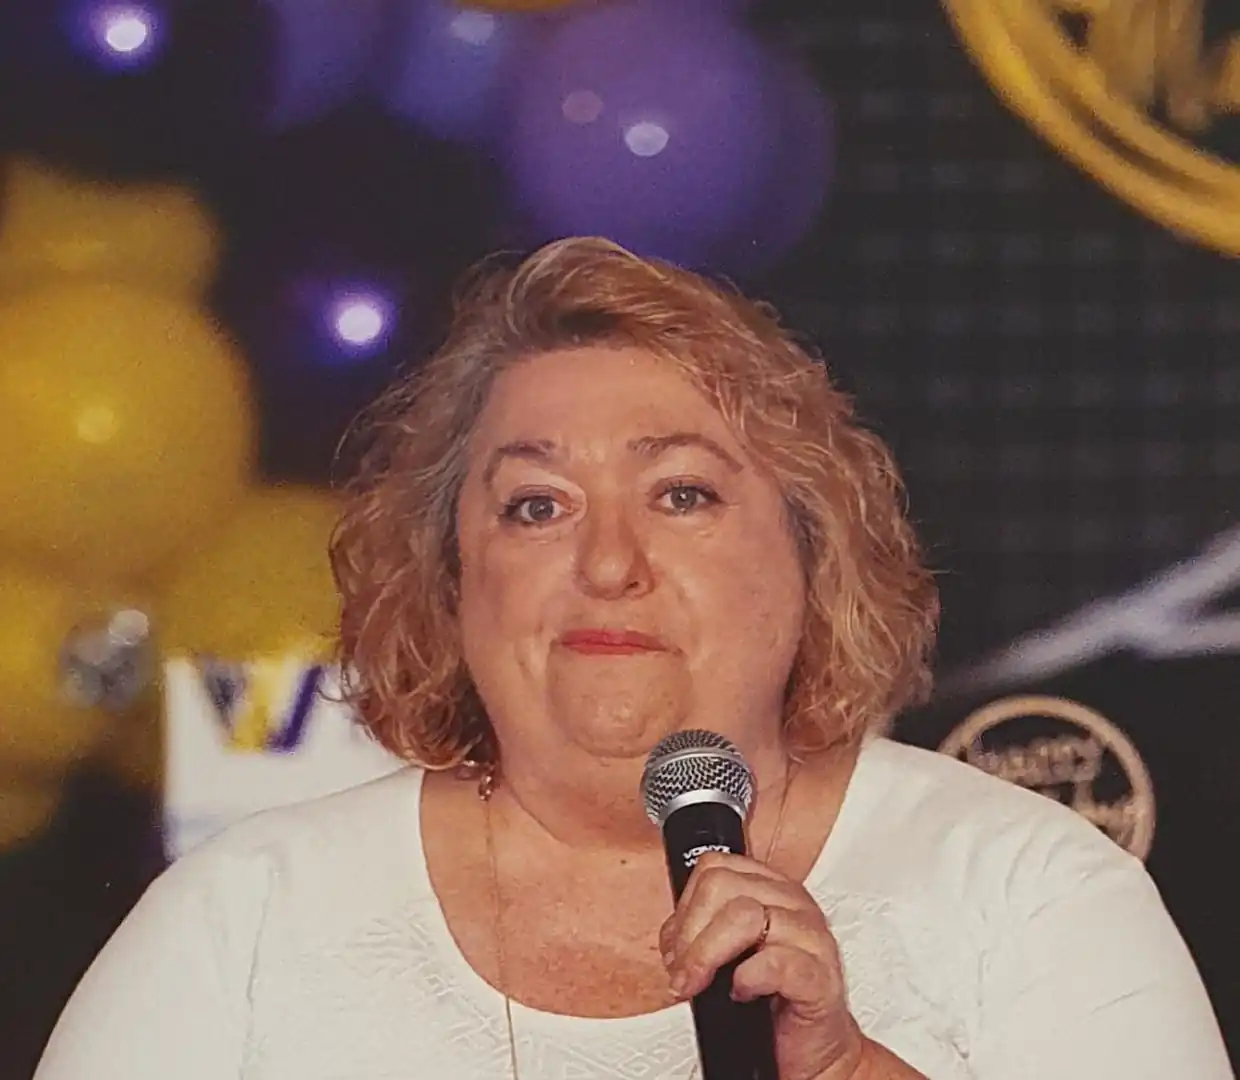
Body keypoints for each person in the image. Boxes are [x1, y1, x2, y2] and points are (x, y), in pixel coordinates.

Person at [34, 238, 1232, 1080]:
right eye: (536, 508)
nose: (608, 561)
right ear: (453, 584)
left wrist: (846, 1071)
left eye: (681, 492)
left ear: (814, 555)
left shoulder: (1030, 897)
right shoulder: (238, 923)